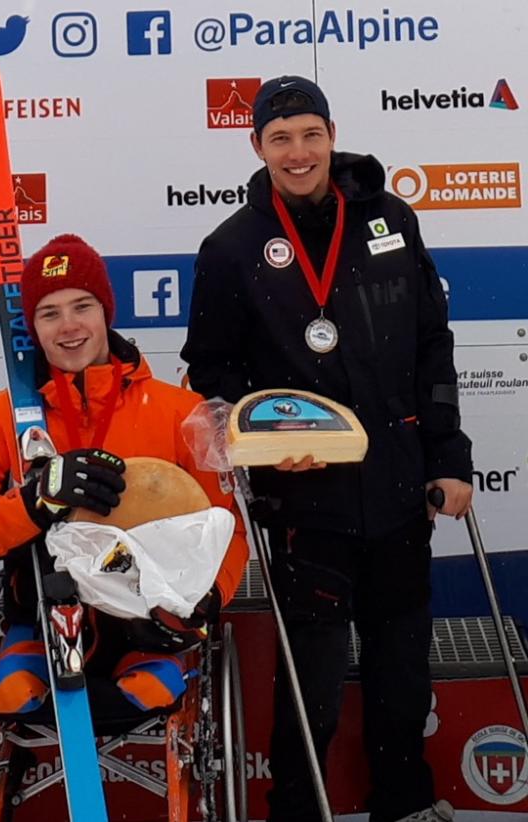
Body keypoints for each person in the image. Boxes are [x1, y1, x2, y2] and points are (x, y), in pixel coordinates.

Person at [181, 75, 473, 822]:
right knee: (309, 674)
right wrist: (264, 450)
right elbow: (213, 376)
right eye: (280, 138)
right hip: (305, 499)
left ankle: (404, 802)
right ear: (256, 147)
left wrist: (450, 456)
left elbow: (431, 346)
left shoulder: (389, 219)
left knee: (401, 663)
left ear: (332, 134)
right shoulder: (231, 247)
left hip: (402, 483)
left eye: (310, 134)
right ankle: (297, 811)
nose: (299, 151)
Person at [0, 232, 249, 720]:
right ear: (32, 327)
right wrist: (33, 503)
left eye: (82, 306)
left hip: (149, 623)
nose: (68, 326)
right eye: (49, 313)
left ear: (106, 312)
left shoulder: (181, 413)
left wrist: (208, 599)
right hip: (43, 619)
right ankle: (35, 648)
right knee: (14, 681)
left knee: (150, 676)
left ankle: (140, 654)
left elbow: (226, 526)